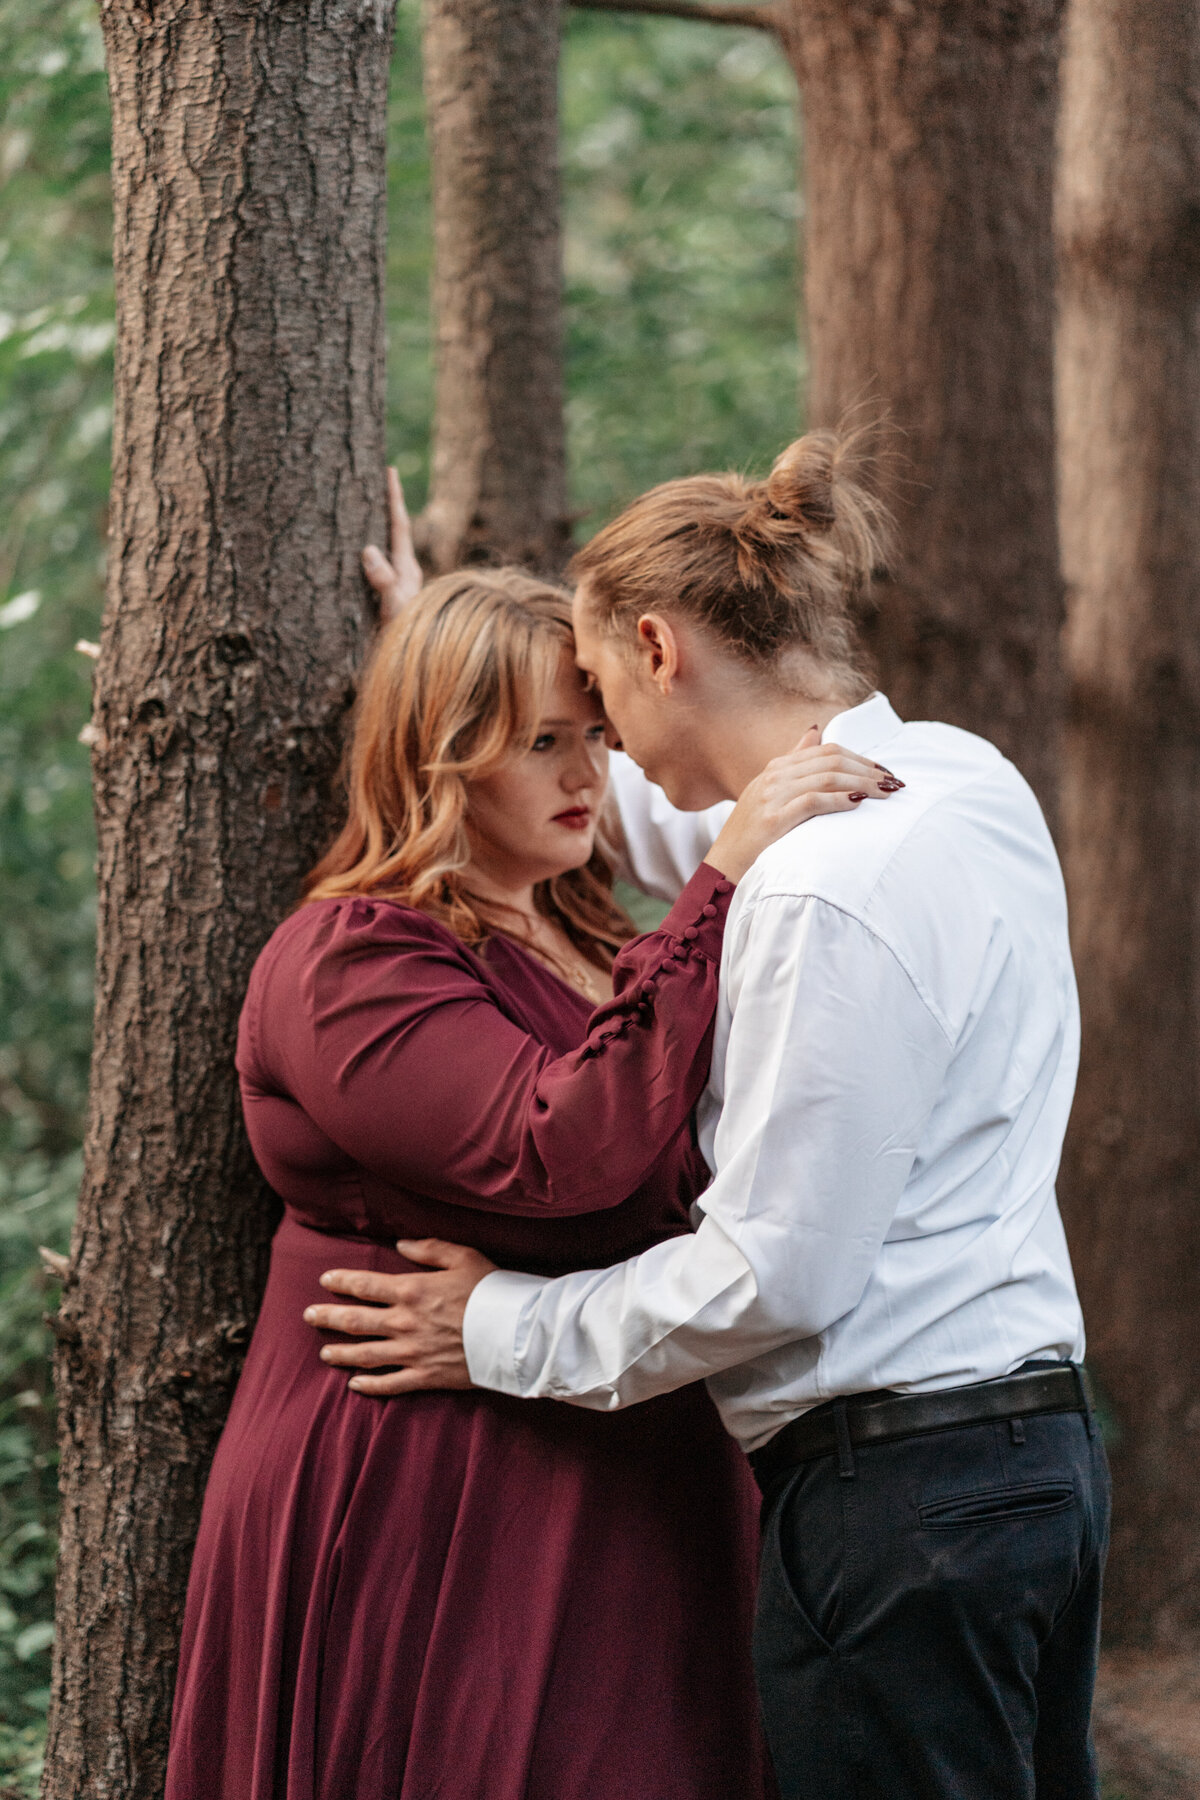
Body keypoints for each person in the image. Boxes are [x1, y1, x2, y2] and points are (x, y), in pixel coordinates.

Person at [310, 431, 1111, 1800]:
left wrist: (500, 1326)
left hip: (896, 1503)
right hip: (1038, 1468)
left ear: (656, 647)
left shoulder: (815, 890)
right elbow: (649, 824)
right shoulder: (964, 784)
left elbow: (775, 1276)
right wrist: (439, 665)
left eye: (593, 691)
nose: (599, 735)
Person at [164, 552, 894, 1800]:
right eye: (537, 741)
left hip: (617, 1456)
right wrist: (722, 877)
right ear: (441, 754)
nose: (586, 772)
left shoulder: (592, 926)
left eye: (595, 733)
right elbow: (558, 1150)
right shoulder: (348, 961)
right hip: (424, 1490)